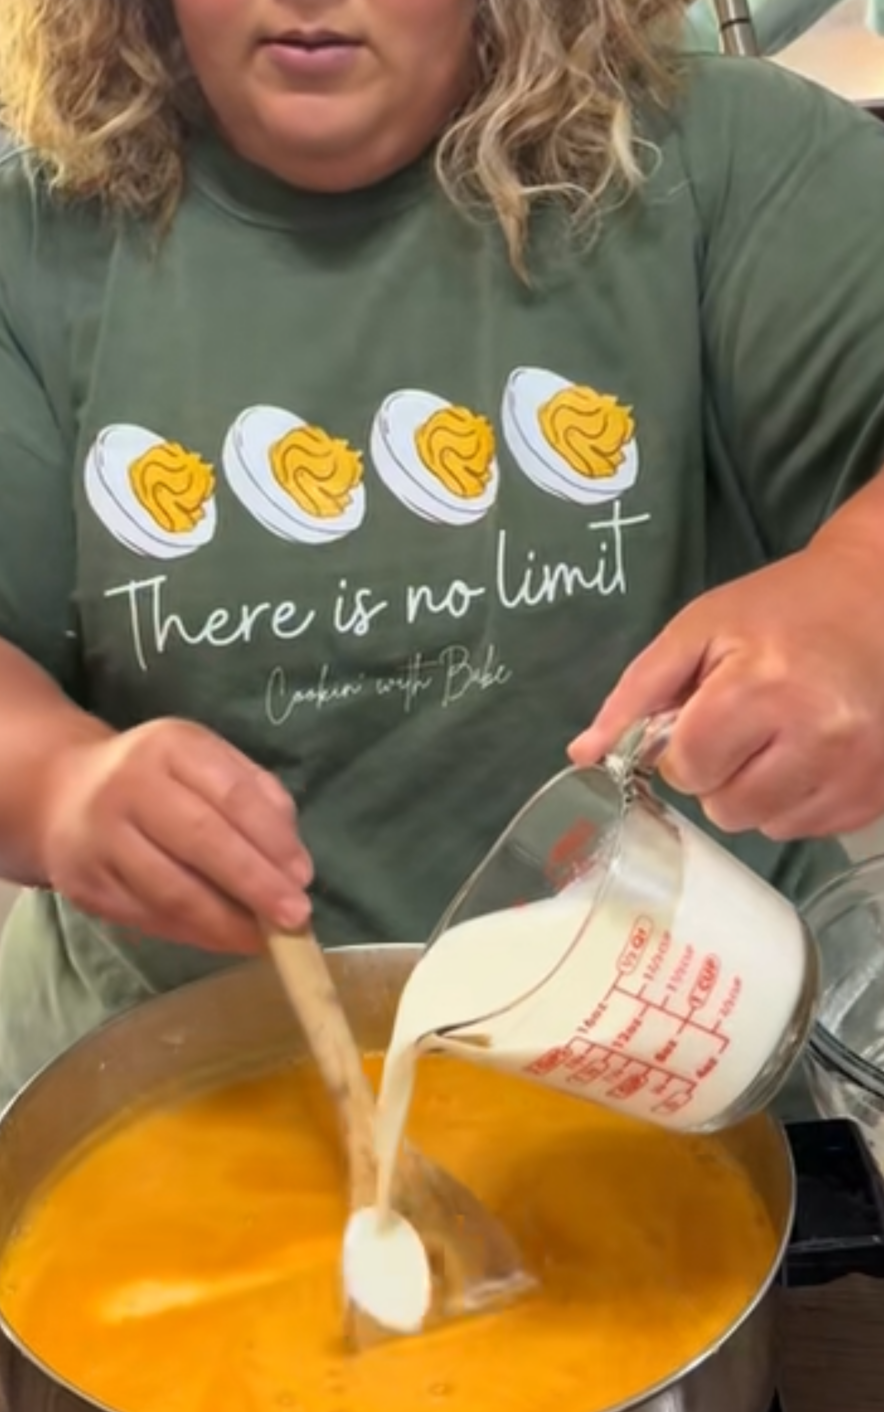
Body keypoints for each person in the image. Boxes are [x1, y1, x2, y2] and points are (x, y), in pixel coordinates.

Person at [0, 0, 883, 1113]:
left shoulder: (713, 162)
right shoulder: (33, 244)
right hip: (164, 1094)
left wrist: (859, 593)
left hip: (668, 1050)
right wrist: (54, 786)